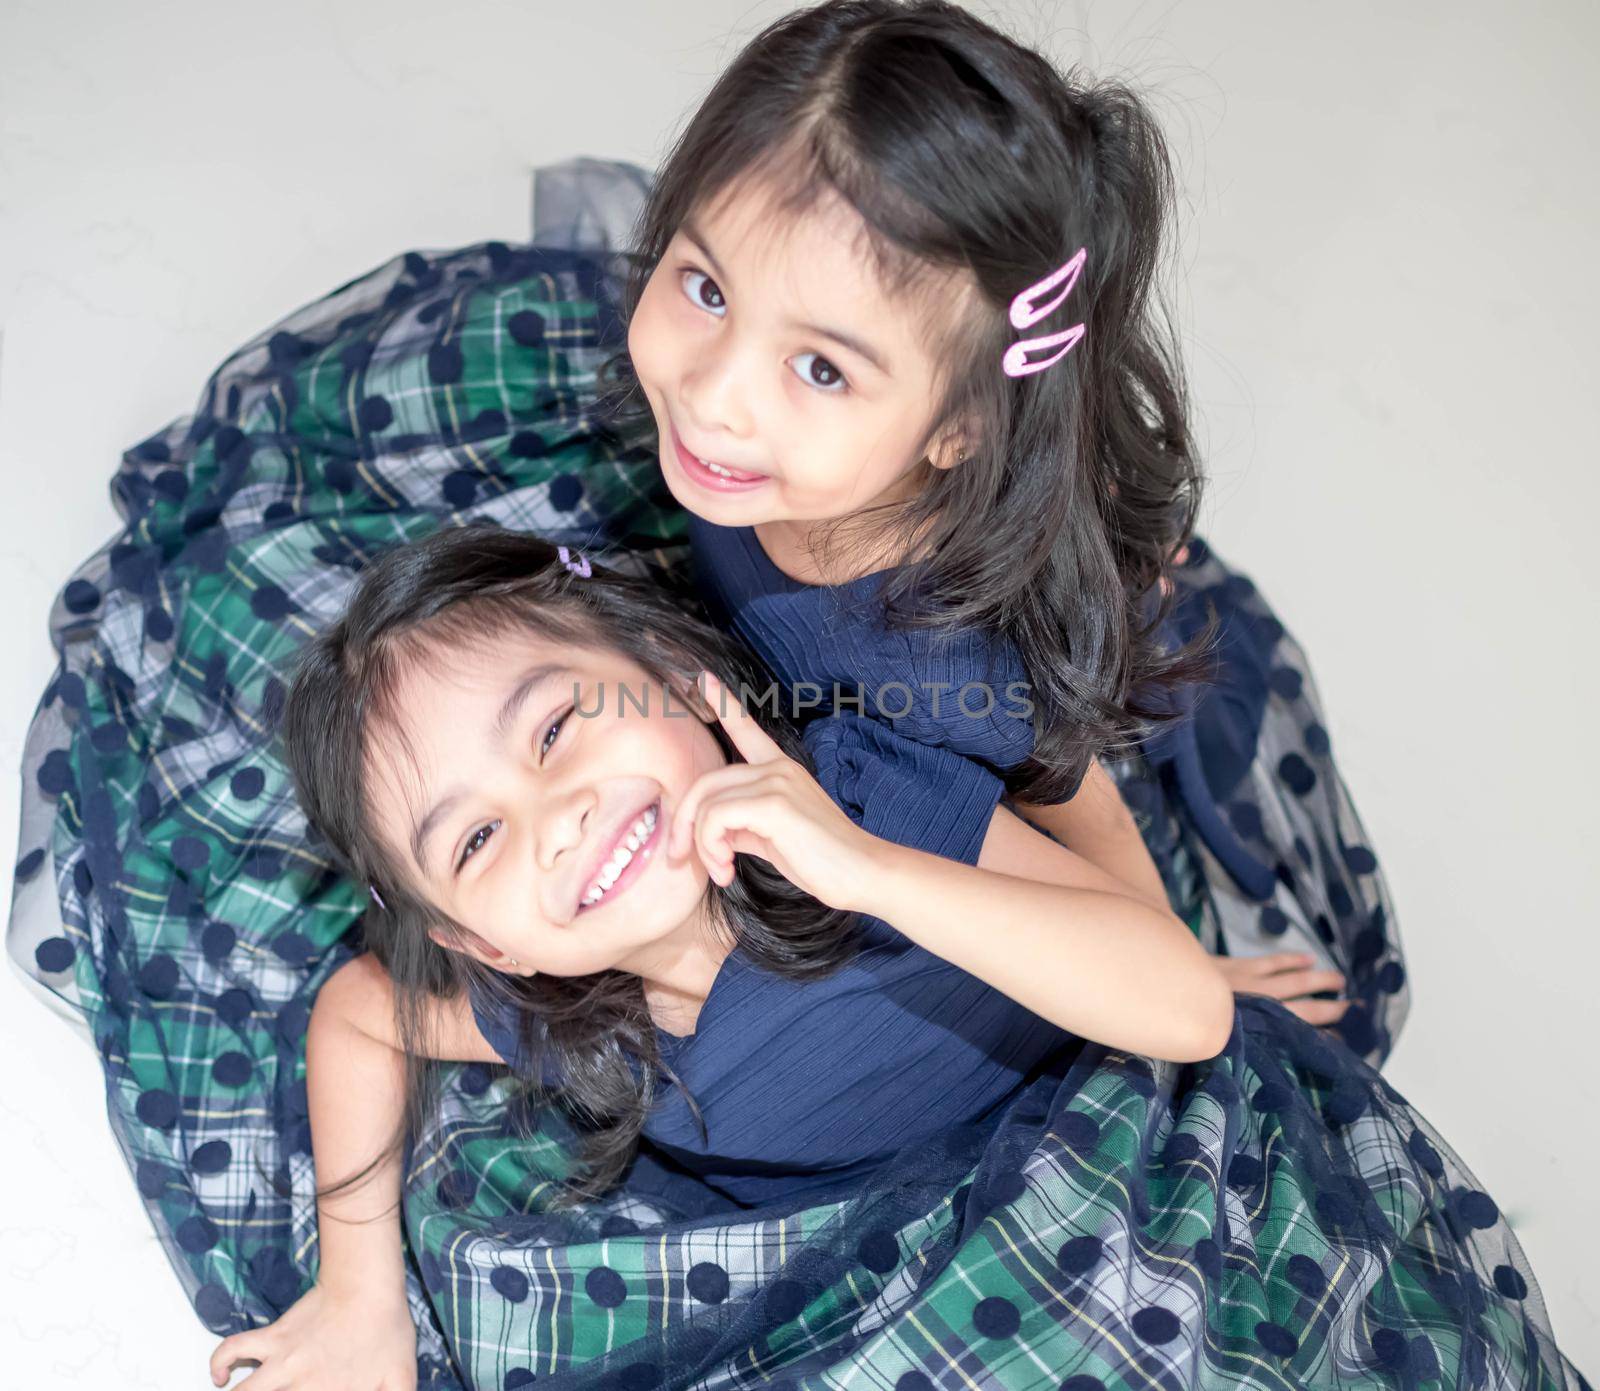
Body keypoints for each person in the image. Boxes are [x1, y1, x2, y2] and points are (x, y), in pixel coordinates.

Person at [205, 523, 1580, 1390]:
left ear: (683, 678)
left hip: (1108, 1127)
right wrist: (357, 1286)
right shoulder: (567, 1003)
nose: (558, 813)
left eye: (560, 726)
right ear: (481, 936)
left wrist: (880, 873)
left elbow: (1178, 1015)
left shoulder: (867, 790)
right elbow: (360, 1007)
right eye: (482, 836)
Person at [594, 0, 1405, 1062]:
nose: (713, 397)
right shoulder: (755, 453)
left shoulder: (950, 668)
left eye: (821, 367)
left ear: (956, 428)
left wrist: (1185, 958)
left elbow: (1091, 827)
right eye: (707, 287)